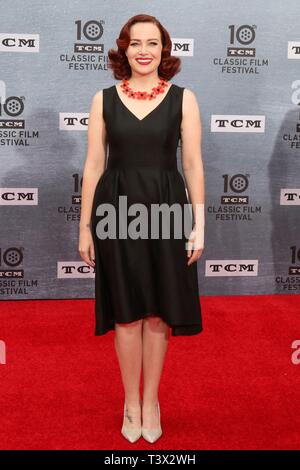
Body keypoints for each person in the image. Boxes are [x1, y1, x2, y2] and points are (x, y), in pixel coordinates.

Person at [79, 14, 205, 444]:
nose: (144, 50)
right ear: (124, 49)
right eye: (136, 43)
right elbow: (94, 165)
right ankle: (130, 401)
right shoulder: (104, 99)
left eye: (153, 43)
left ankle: (151, 401)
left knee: (157, 314)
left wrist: (199, 224)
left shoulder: (183, 99)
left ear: (164, 51)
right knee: (127, 314)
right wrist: (85, 229)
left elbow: (192, 164)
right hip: (115, 211)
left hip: (168, 211)